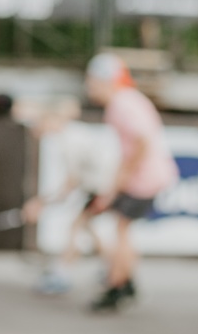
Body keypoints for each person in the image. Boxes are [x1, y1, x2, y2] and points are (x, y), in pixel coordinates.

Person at [82, 52, 178, 313]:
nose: (89, 87)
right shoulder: (127, 101)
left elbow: (142, 142)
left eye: (92, 81)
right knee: (121, 229)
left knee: (120, 230)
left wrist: (121, 181)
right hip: (147, 176)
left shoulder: (122, 104)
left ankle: (117, 285)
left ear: (106, 81)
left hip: (143, 178)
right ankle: (125, 282)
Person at [21, 102, 125, 297]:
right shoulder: (72, 135)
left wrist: (42, 203)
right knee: (87, 229)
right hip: (101, 188)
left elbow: (71, 182)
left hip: (102, 190)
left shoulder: (69, 139)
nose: (38, 129)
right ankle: (113, 270)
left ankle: (64, 275)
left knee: (76, 228)